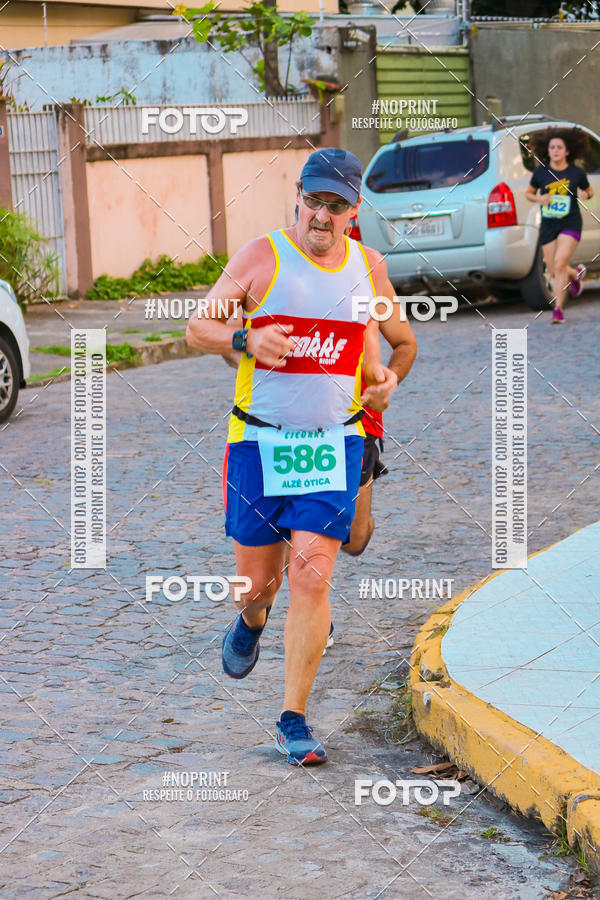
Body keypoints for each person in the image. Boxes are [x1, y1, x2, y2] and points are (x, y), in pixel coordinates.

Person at [187, 147, 415, 766]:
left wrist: (388, 380)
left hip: (333, 443)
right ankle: (252, 622)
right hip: (259, 440)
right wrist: (244, 336)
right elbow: (196, 328)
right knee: (258, 585)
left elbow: (404, 344)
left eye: (336, 204)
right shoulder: (262, 257)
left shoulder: (369, 268)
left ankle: (294, 718)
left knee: (312, 574)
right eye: (314, 200)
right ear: (299, 197)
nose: (321, 214)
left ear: (353, 211)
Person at [526, 128, 594, 323]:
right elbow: (529, 194)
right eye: (552, 147)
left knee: (559, 262)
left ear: (567, 151)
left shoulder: (576, 172)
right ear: (547, 151)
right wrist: (540, 198)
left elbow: (590, 191)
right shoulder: (540, 173)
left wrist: (585, 195)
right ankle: (575, 274)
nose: (555, 150)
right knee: (555, 270)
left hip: (570, 222)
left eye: (559, 147)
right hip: (548, 224)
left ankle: (558, 309)